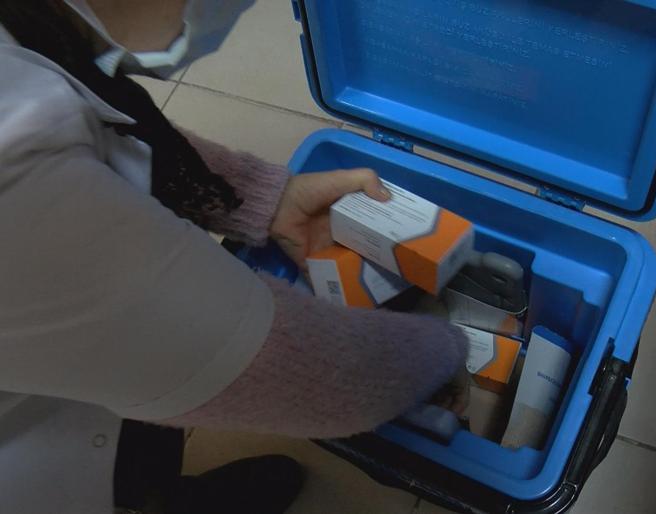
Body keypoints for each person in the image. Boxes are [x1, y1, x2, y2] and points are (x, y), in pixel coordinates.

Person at [0, 1, 469, 513]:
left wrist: (265, 197)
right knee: (107, 470)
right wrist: (450, 346)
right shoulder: (19, 188)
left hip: (66, 371)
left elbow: (105, 125)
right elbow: (323, 380)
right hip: (32, 453)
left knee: (145, 463)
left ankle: (166, 496)